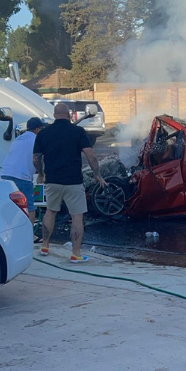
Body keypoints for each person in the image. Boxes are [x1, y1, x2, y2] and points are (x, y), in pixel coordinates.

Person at [33, 102, 109, 263]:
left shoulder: (44, 133)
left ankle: (45, 246)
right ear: (69, 115)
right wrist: (97, 175)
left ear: (54, 115)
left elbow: (36, 157)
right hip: (73, 181)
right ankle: (76, 254)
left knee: (50, 211)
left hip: (52, 180)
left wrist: (41, 174)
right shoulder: (77, 131)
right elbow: (90, 154)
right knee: (77, 216)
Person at [1, 117, 44, 239]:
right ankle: (29, 236)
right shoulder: (36, 139)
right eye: (41, 129)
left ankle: (8, 234)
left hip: (5, 173)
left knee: (12, 205)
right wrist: (41, 174)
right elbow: (36, 158)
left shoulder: (18, 139)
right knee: (30, 206)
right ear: (37, 129)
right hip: (22, 176)